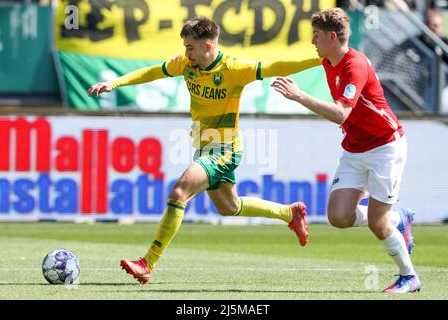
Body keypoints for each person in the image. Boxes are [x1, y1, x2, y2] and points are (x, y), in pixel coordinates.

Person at [88, 16, 321, 284]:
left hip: (224, 150)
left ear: (208, 46)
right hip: (203, 148)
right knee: (230, 207)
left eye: (190, 47)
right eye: (185, 47)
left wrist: (320, 60)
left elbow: (274, 66)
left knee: (179, 192)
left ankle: (147, 262)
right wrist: (115, 83)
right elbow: (153, 71)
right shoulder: (187, 64)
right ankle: (289, 213)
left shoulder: (233, 69)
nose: (186, 53)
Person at [271, 8, 421, 293]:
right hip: (355, 147)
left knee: (377, 224)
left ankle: (409, 276)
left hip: (385, 146)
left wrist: (299, 95)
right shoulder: (328, 61)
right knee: (339, 217)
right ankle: (398, 218)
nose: (313, 42)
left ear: (331, 36)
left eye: (316, 36)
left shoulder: (355, 65)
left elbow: (341, 113)